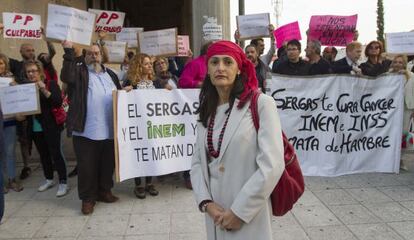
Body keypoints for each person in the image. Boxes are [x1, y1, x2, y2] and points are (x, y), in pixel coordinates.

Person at [190, 40, 284, 240]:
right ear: (207, 70)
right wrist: (207, 203)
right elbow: (197, 163)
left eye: (227, 62)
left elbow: (272, 165)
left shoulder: (261, 104)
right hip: (215, 214)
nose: (220, 68)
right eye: (214, 62)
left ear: (240, 69)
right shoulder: (206, 111)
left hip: (249, 213)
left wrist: (239, 212)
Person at [61, 41, 121, 215]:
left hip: (109, 129)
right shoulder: (79, 72)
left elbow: (118, 92)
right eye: (90, 53)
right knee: (87, 166)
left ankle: (104, 191)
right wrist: (68, 52)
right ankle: (88, 199)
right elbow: (66, 76)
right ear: (85, 56)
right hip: (86, 129)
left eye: (97, 53)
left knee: (107, 164)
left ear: (102, 55)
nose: (94, 56)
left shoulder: (111, 74)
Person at [22, 60, 68, 197]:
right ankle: (49, 179)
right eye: (28, 72)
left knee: (56, 153)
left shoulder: (50, 84)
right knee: (44, 155)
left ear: (39, 72)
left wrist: (43, 88)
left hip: (51, 126)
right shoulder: (25, 87)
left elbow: (57, 101)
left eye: (33, 71)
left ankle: (63, 181)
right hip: (35, 128)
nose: (31, 74)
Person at [123, 53, 160, 199]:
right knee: (139, 153)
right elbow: (120, 100)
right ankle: (138, 184)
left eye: (150, 63)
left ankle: (149, 183)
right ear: (139, 66)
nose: (150, 66)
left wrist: (169, 92)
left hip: (152, 125)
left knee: (150, 152)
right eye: (146, 64)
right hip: (137, 125)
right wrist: (124, 92)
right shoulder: (131, 82)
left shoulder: (155, 83)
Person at [0, 54, 23, 193]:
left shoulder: (11, 78)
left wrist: (16, 87)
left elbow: (20, 98)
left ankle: (12, 179)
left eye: (1, 63)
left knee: (9, 151)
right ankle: (2, 182)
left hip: (9, 120)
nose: (0, 66)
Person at [389, 55, 414, 134]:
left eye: (400, 62)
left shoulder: (412, 75)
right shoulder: (387, 75)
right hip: (391, 107)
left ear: (404, 64)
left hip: (407, 107)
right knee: (392, 130)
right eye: (395, 62)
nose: (397, 64)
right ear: (392, 63)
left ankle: (403, 145)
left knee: (404, 129)